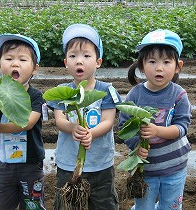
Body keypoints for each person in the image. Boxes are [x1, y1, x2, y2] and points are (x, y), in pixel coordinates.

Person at [47, 23, 121, 210]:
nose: (79, 61)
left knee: (104, 204)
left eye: (87, 56)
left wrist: (91, 133)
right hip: (68, 163)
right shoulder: (62, 92)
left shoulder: (106, 90)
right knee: (66, 204)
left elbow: (108, 121)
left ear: (98, 62)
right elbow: (60, 120)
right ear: (65, 62)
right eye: (73, 56)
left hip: (100, 164)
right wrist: (72, 128)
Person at [119, 29, 192, 210]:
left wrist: (158, 131)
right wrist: (136, 145)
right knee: (144, 206)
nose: (159, 68)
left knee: (171, 206)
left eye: (166, 62)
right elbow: (124, 127)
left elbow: (182, 127)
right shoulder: (134, 95)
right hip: (145, 169)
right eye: (152, 61)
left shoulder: (179, 95)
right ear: (142, 66)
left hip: (174, 166)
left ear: (177, 66)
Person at [0, 34, 46, 210]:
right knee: (2, 205)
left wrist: (0, 128)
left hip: (30, 164)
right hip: (3, 163)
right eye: (9, 59)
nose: (15, 63)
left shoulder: (36, 96)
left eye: (22, 59)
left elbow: (28, 123)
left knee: (32, 205)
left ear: (34, 69)